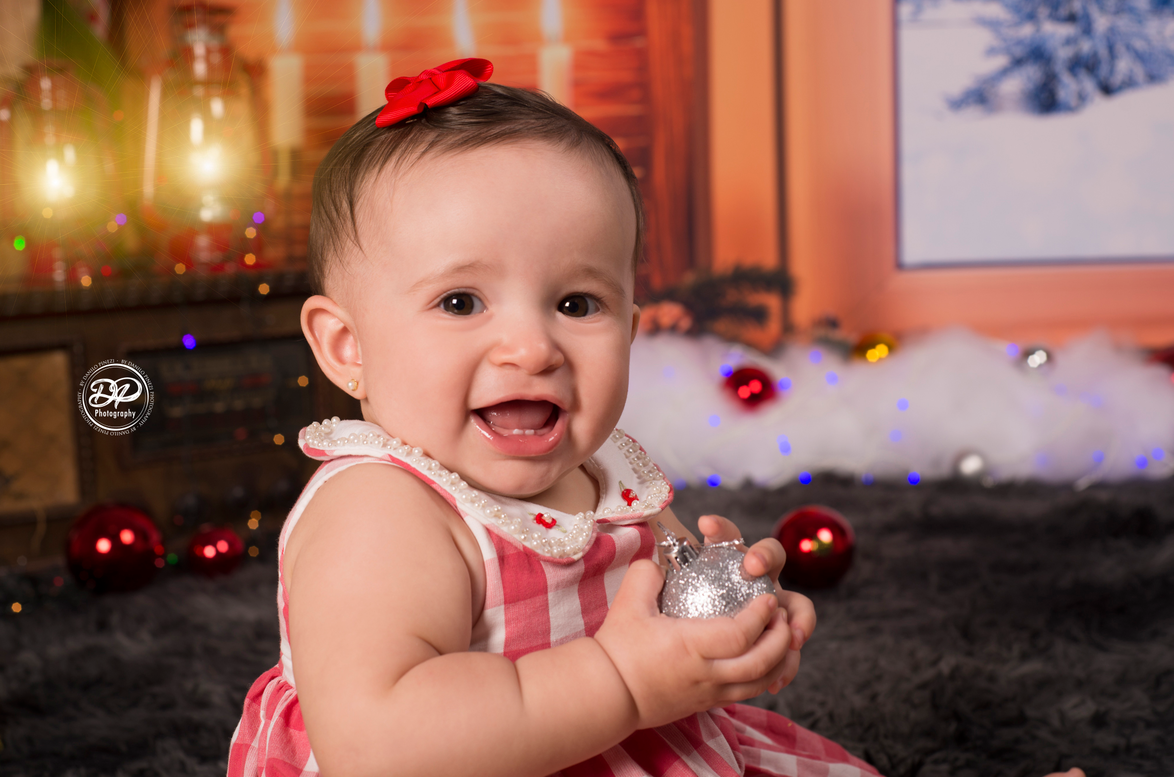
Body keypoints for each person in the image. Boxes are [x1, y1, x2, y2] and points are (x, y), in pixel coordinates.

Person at [228, 59, 1084, 777]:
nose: (531, 346)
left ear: (632, 325)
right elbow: (380, 743)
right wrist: (620, 679)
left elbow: (663, 608)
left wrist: (731, 629)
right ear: (346, 348)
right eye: (461, 300)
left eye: (576, 300)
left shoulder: (606, 472)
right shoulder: (380, 510)